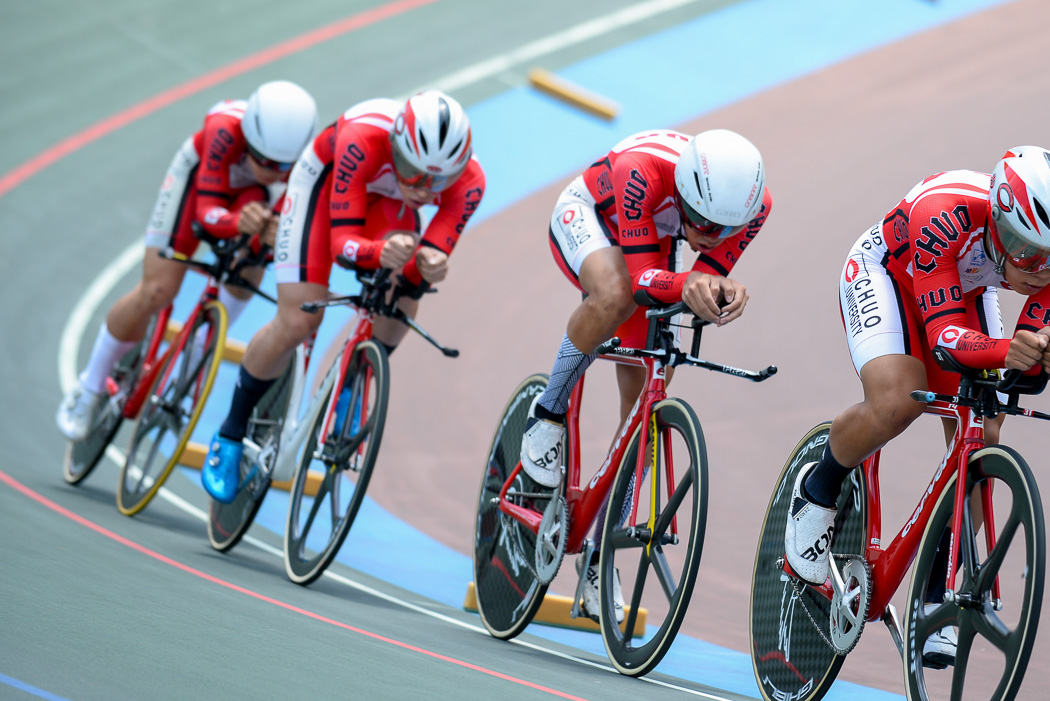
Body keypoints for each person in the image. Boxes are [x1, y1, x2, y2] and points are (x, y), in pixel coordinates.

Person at [785, 145, 1050, 663]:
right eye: (1026, 249)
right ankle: (818, 489)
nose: (1042, 271)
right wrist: (1010, 352)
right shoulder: (945, 212)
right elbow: (945, 341)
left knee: (987, 432)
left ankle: (934, 591)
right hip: (888, 272)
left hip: (965, 285)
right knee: (896, 400)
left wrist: (1047, 356)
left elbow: (1023, 362)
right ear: (998, 222)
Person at [519, 128, 772, 621]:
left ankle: (600, 551)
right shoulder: (641, 171)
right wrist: (692, 280)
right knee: (613, 296)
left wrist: (721, 290)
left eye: (725, 228)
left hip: (653, 244)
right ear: (685, 191)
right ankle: (547, 413)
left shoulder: (754, 206)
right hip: (593, 219)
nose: (710, 235)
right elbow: (641, 283)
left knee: (647, 403)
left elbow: (699, 275)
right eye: (701, 221)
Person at [200, 90, 485, 503]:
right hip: (325, 187)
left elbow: (426, 261)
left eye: (437, 181)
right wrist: (375, 253)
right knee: (298, 320)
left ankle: (357, 378)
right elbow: (341, 245)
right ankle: (230, 431)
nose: (422, 189)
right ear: (396, 146)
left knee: (405, 286)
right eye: (412, 171)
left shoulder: (470, 184)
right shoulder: (363, 138)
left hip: (387, 207)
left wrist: (427, 265)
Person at [56, 80, 319, 441]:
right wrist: (234, 223)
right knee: (157, 290)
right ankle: (88, 388)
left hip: (253, 200)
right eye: (263, 159)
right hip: (198, 184)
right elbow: (205, 211)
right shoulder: (223, 131)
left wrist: (274, 236)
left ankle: (189, 370)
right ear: (248, 137)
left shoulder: (305, 166)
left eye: (283, 165)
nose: (274, 169)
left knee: (256, 253)